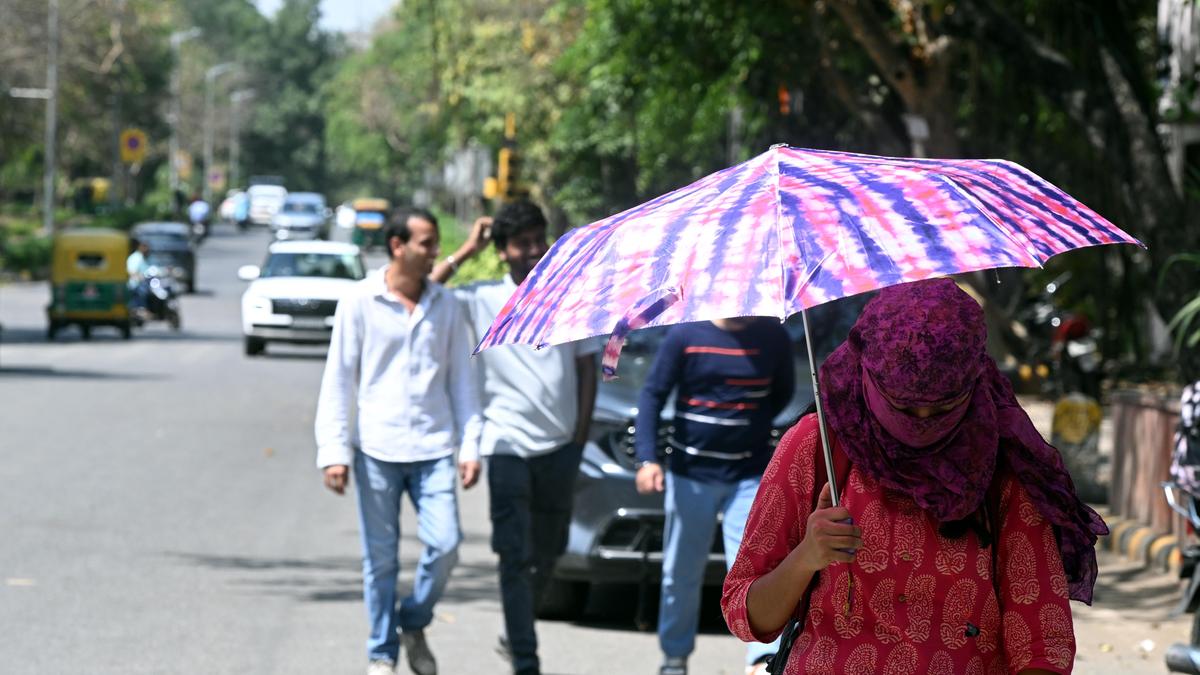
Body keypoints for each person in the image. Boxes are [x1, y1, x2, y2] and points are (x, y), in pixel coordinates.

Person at [721, 278, 1107, 674]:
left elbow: (1043, 643)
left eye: (942, 410)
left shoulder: (1005, 464)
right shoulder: (815, 446)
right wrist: (806, 557)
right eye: (902, 410)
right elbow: (746, 616)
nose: (921, 426)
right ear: (868, 375)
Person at [430, 201, 598, 675]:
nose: (533, 251)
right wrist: (467, 248)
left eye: (538, 240)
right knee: (512, 553)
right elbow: (428, 290)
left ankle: (516, 625)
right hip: (504, 446)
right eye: (522, 244)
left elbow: (587, 368)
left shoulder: (567, 295)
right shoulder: (481, 298)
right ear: (503, 251)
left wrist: (578, 439)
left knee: (549, 551)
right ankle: (525, 658)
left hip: (560, 447)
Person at [314, 207, 483, 675]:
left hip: (433, 449)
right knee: (381, 562)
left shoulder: (446, 306)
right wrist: (333, 451)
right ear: (398, 246)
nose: (434, 253)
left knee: (447, 544)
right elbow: (339, 380)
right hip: (376, 451)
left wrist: (470, 445)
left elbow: (463, 384)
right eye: (426, 243)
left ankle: (413, 619)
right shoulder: (359, 302)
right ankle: (381, 653)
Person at [634, 315, 795, 675]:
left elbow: (782, 392)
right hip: (690, 475)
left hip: (749, 474)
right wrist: (648, 458)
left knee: (756, 567)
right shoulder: (685, 335)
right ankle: (674, 658)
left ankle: (761, 660)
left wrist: (752, 428)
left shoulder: (773, 336)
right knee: (681, 570)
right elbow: (653, 394)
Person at [126, 238, 150, 314]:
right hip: (135, 284)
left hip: (144, 282)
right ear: (139, 247)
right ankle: (141, 309)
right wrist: (139, 277)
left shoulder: (143, 257)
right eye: (144, 246)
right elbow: (131, 271)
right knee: (142, 291)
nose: (147, 249)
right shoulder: (136, 257)